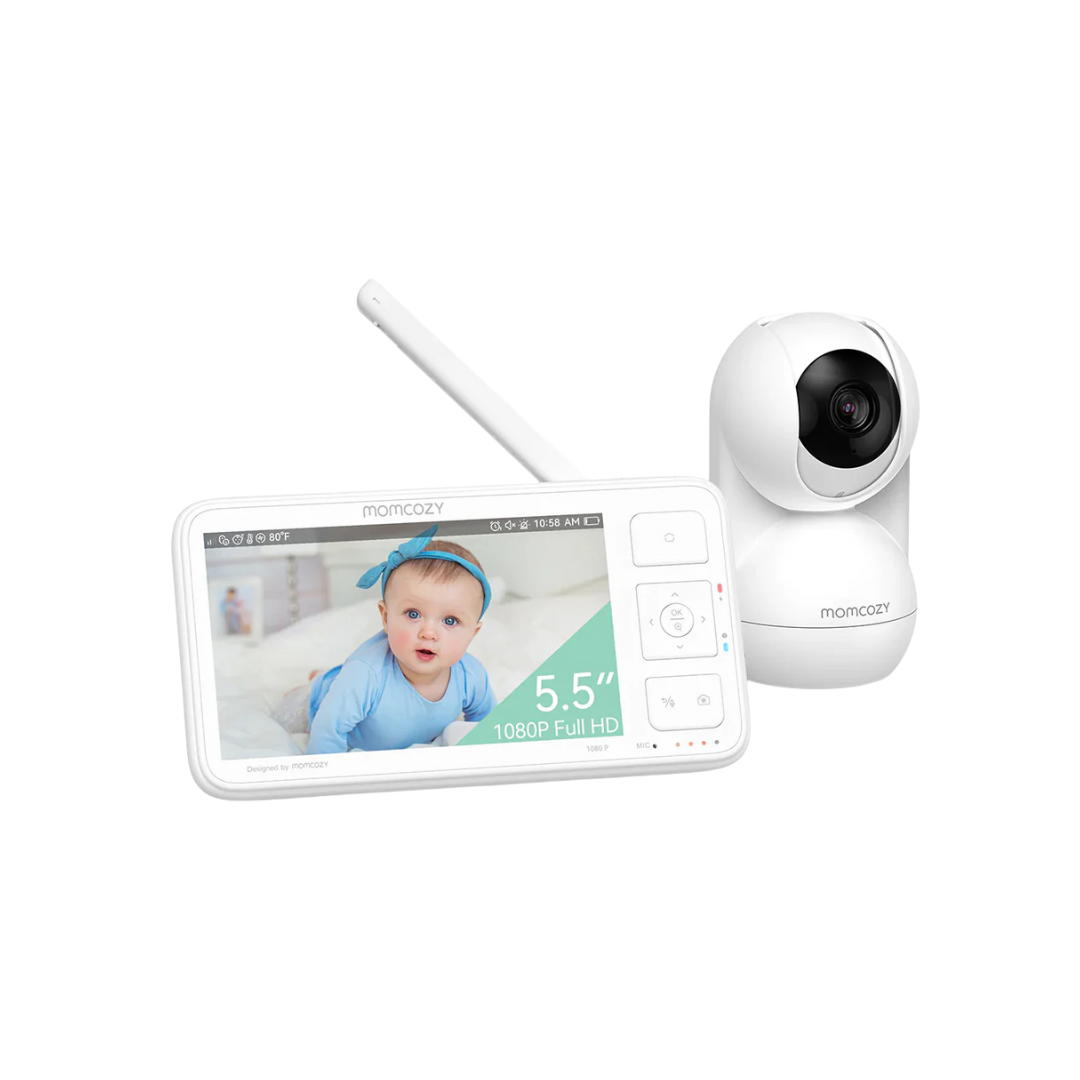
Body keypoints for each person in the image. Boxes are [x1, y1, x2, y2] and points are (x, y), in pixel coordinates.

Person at [301, 527, 497, 753]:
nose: (428, 633)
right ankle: (317, 682)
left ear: (473, 633)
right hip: (322, 704)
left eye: (450, 621)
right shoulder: (365, 675)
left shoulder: (471, 676)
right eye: (413, 614)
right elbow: (326, 733)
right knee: (302, 701)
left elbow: (490, 727)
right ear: (386, 617)